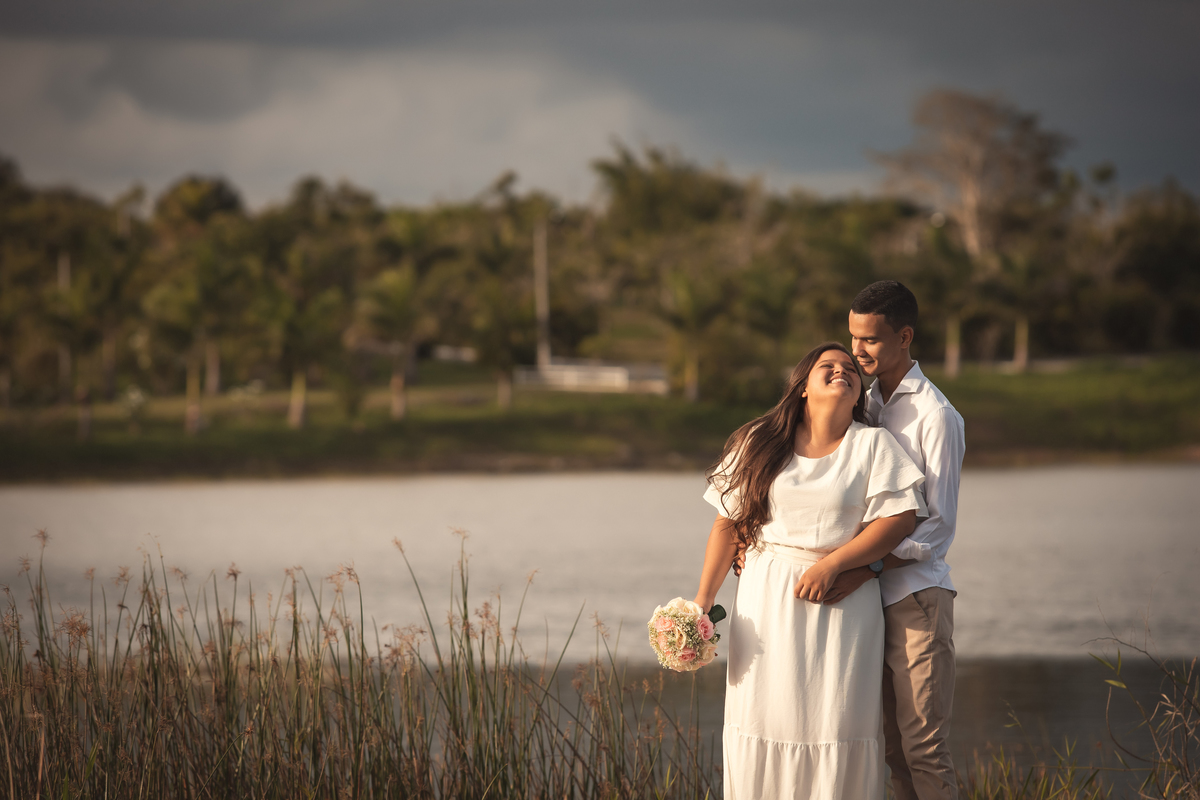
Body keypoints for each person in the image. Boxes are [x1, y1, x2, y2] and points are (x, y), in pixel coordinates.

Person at [692, 342, 929, 799]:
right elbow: (727, 522)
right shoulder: (760, 440)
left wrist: (837, 563)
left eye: (850, 369)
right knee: (763, 718)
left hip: (842, 606)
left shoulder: (873, 444)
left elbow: (900, 518)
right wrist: (703, 601)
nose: (842, 371)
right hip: (763, 606)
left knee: (835, 722)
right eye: (829, 366)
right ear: (802, 387)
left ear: (859, 391)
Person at [826, 280, 965, 800]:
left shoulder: (936, 416)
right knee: (891, 751)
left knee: (925, 749)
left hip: (916, 598)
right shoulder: (865, 402)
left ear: (904, 336)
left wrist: (869, 565)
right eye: (853, 337)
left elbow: (938, 527)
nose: (857, 350)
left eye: (871, 340)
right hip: (868, 602)